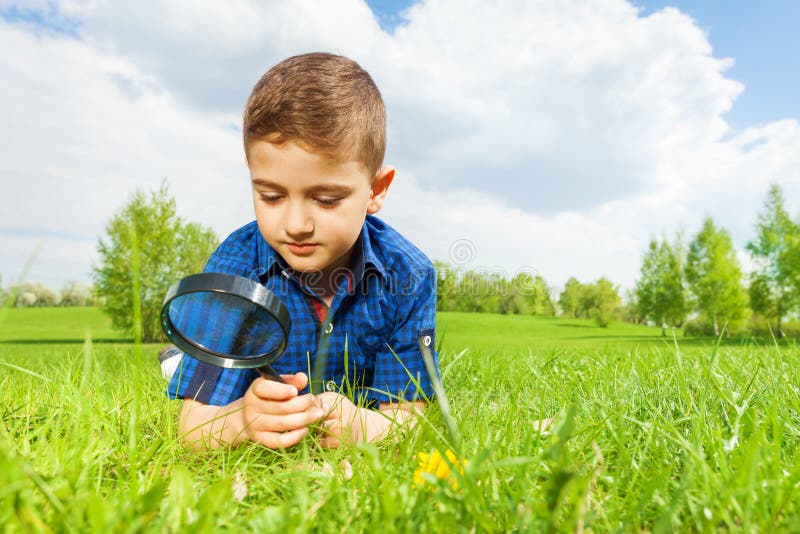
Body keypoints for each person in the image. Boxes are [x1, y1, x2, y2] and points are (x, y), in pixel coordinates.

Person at [167, 52, 439, 450]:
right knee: (197, 369)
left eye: (327, 199)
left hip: (349, 409)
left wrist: (362, 426)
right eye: (271, 195)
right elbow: (193, 429)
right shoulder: (233, 268)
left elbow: (409, 422)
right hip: (242, 386)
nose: (296, 224)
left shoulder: (409, 275)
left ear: (376, 191)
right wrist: (241, 420)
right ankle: (176, 362)